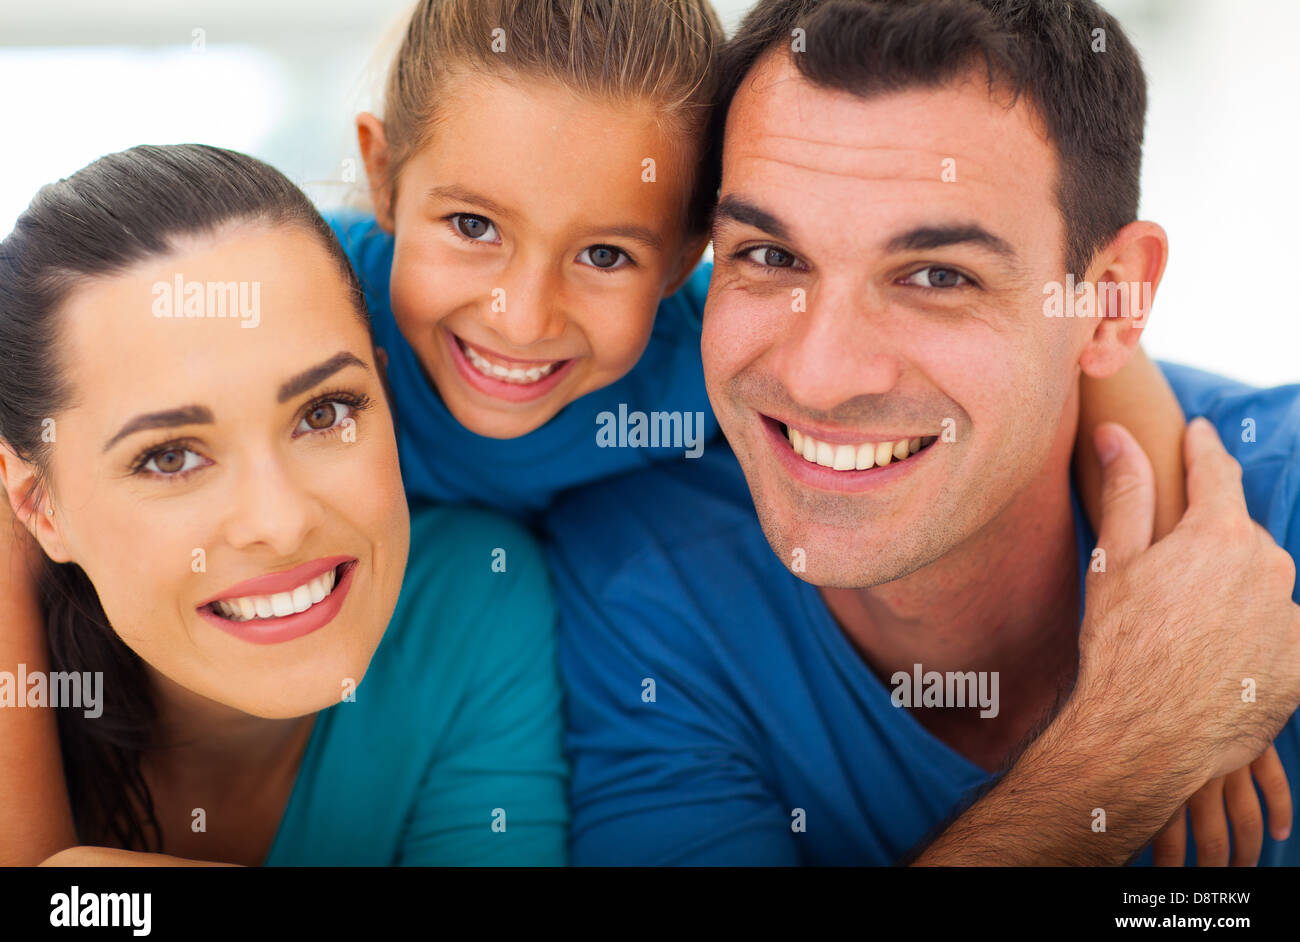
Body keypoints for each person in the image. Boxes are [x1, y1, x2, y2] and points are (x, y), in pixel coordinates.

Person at [545, 0, 1300, 865]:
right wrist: (1122, 753)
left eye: (937, 275)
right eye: (769, 255)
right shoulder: (638, 586)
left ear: (1114, 298)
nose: (817, 376)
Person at [0, 145, 567, 865]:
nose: (282, 521)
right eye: (171, 456)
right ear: (37, 506)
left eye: (325, 412)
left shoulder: (473, 595)